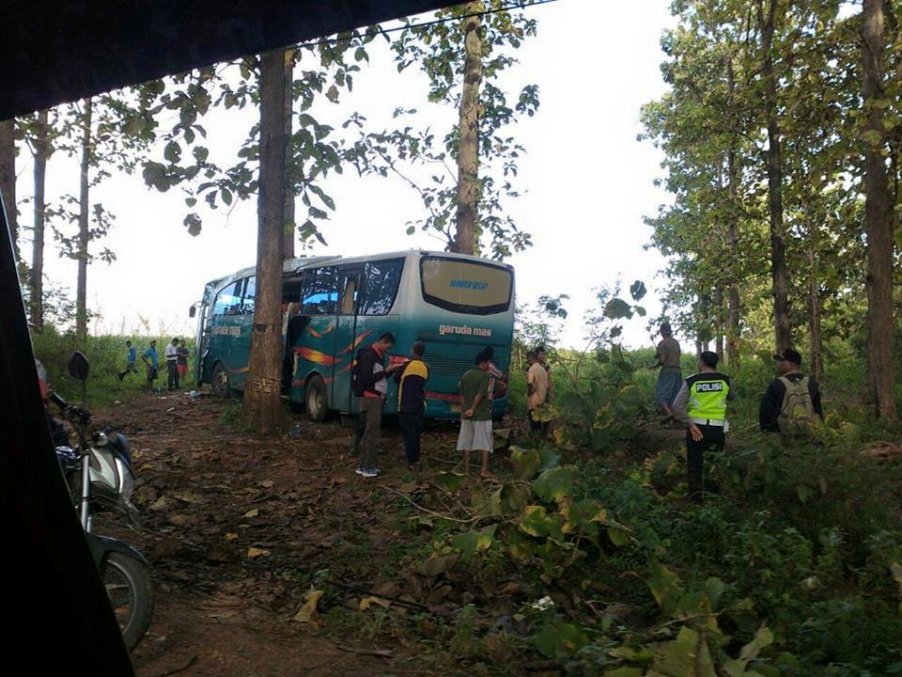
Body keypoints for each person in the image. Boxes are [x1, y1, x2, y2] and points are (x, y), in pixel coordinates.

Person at [672, 351, 734, 502]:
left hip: (696, 428)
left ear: (701, 362)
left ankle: (696, 499)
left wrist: (690, 425)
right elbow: (732, 397)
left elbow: (677, 406)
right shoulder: (725, 380)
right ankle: (714, 497)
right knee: (714, 463)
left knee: (694, 463)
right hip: (718, 429)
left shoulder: (692, 381)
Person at [351, 332, 400, 478]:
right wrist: (386, 371)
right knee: (371, 432)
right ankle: (365, 466)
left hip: (376, 397)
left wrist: (388, 371)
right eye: (388, 347)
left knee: (372, 432)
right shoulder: (369, 355)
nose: (387, 350)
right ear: (383, 342)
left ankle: (367, 464)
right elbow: (367, 379)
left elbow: (379, 378)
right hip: (371, 399)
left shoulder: (378, 356)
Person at [759, 348, 823, 438]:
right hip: (810, 436)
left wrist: (769, 433)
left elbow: (767, 412)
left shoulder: (776, 384)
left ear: (791, 364)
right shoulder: (812, 383)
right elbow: (818, 411)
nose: (778, 364)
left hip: (784, 436)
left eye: (782, 361)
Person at [457, 350, 494, 478]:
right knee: (486, 442)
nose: (489, 364)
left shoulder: (466, 375)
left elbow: (461, 395)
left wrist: (463, 412)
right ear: (483, 363)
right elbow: (481, 394)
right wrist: (473, 408)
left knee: (467, 441)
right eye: (488, 362)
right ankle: (484, 470)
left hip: (467, 415)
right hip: (481, 414)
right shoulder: (485, 375)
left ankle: (466, 470)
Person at [395, 341, 429, 469]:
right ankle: (416, 459)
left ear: (413, 350)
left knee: (407, 433)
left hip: (405, 405)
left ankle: (411, 461)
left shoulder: (405, 366)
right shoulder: (426, 367)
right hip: (419, 405)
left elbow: (396, 379)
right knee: (415, 433)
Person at [653, 322, 682, 425]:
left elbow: (663, 359)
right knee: (675, 396)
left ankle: (669, 414)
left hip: (667, 371)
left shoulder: (662, 343)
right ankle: (674, 421)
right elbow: (677, 355)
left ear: (662, 332)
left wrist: (655, 366)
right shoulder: (676, 342)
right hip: (678, 371)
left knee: (661, 394)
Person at [526, 350, 550, 435]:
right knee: (539, 422)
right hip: (542, 399)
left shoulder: (532, 369)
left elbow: (532, 386)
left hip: (534, 401)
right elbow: (547, 385)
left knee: (534, 425)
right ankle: (541, 440)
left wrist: (528, 396)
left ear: (530, 358)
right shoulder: (543, 370)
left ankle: (535, 442)